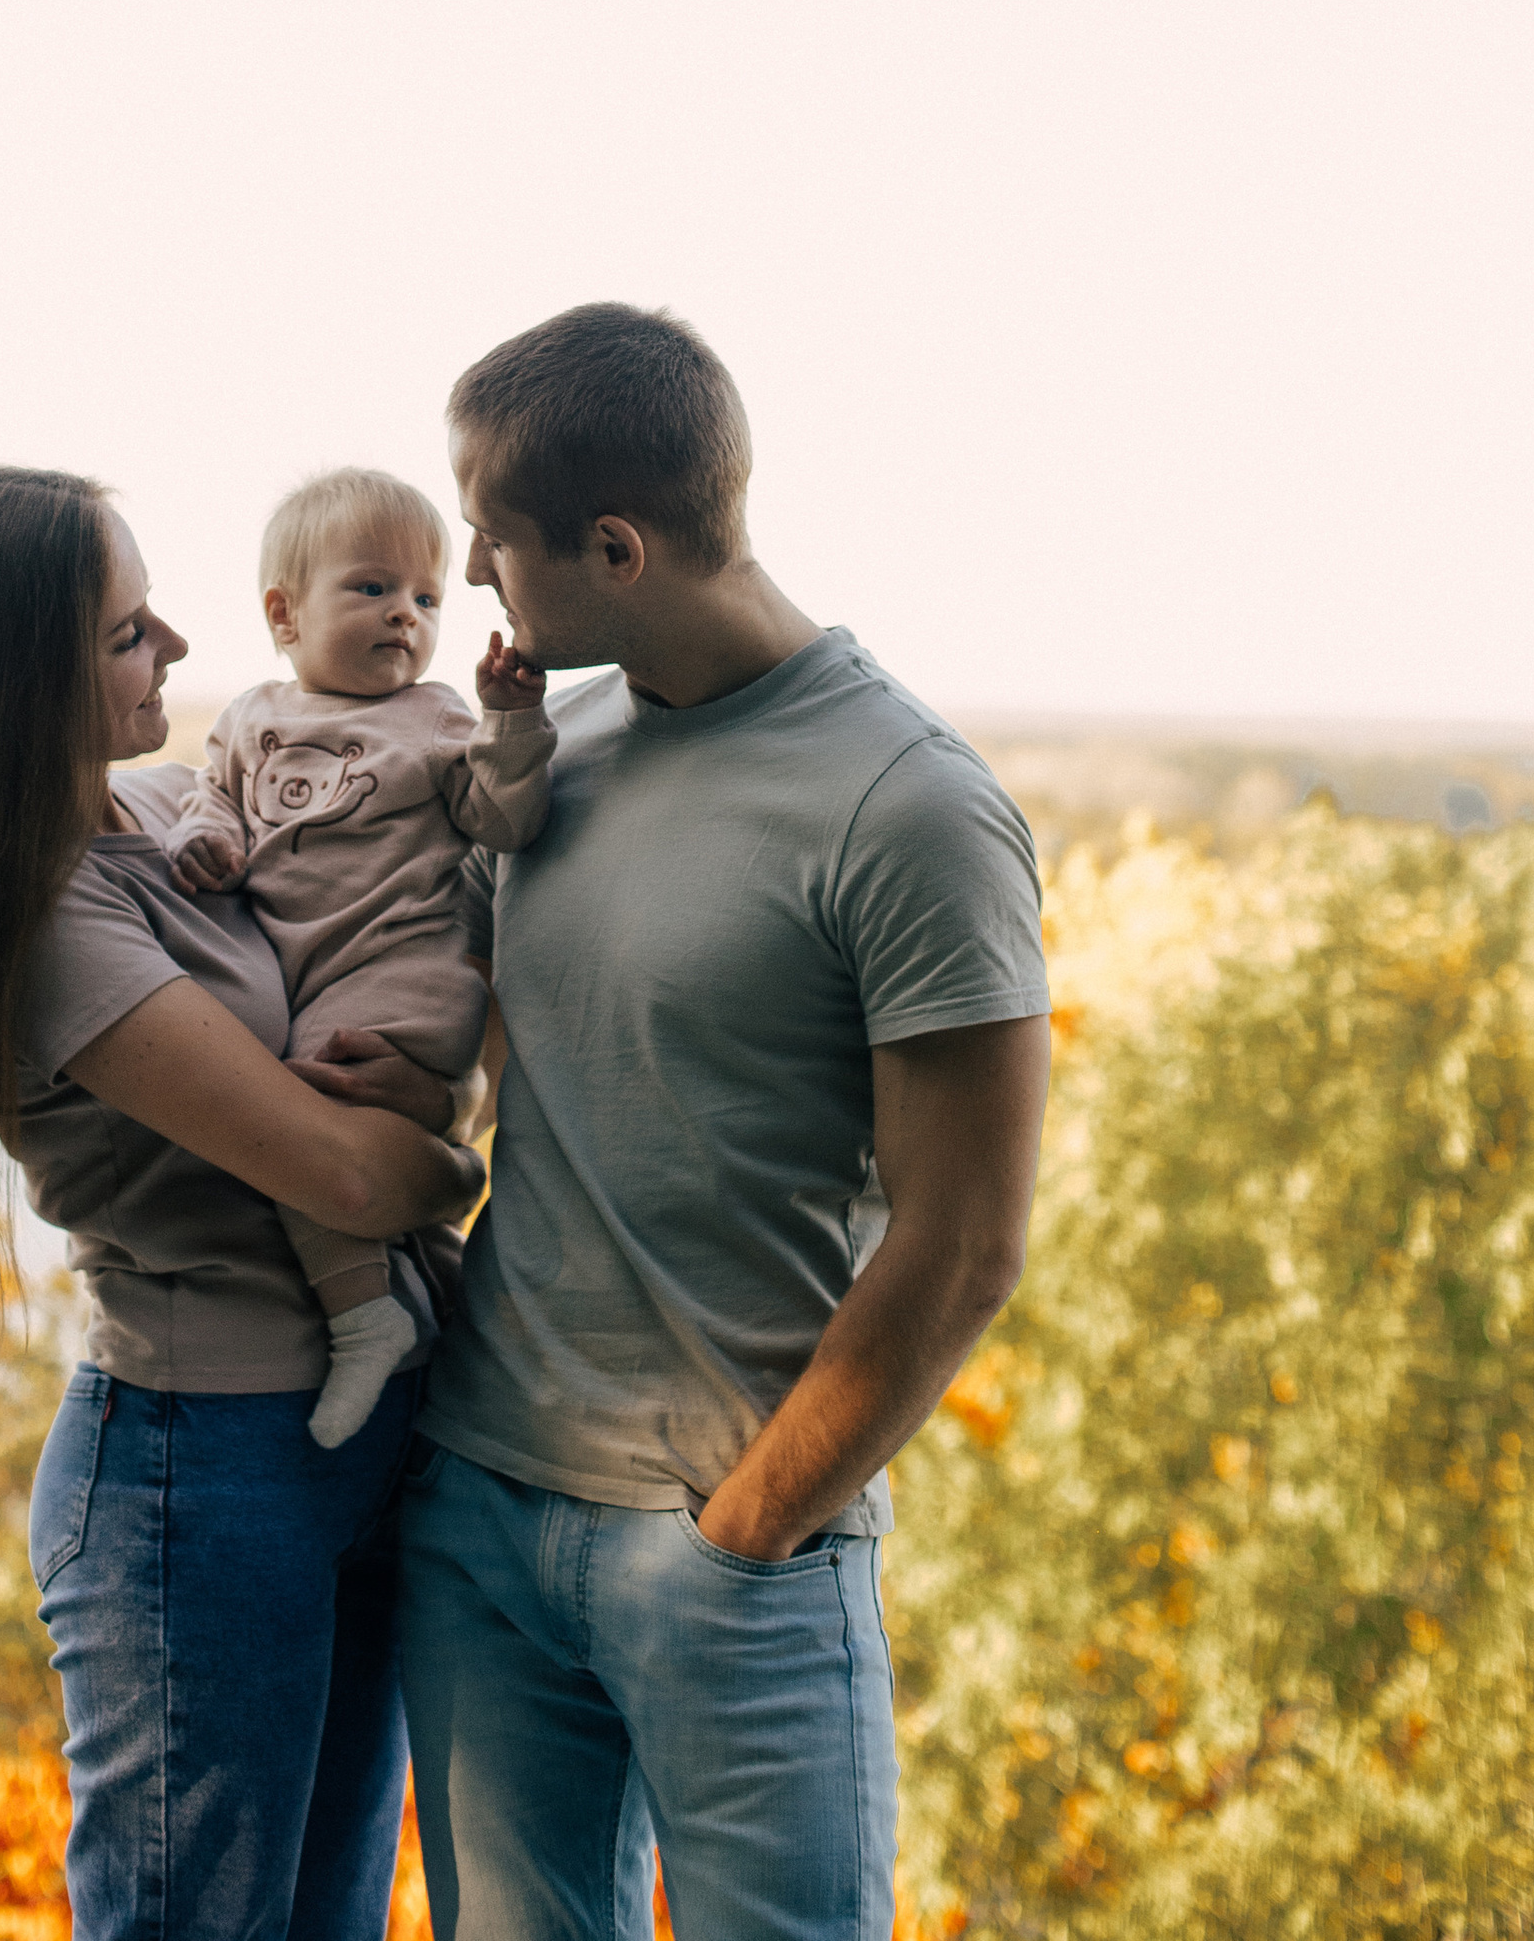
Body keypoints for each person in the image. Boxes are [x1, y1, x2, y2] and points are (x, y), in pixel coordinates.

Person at [400, 305, 1053, 1941]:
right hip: (479, 1521)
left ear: (614, 547)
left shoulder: (908, 807)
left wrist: (750, 1530)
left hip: (735, 1560)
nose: (472, 571)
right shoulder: (554, 751)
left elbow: (967, 1238)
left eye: (491, 535)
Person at [0, 464, 481, 1941]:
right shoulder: (45, 929)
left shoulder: (167, 815)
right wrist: (458, 1157)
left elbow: (375, 851)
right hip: (197, 1478)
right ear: (20, 682)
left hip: (349, 1451)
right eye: (126, 632)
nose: (171, 650)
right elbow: (342, 1173)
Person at [167, 466, 557, 1446]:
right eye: (373, 588)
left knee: (299, 1125)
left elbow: (503, 820)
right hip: (308, 976)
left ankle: (359, 1320)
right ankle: (450, 1310)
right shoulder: (250, 717)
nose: (406, 617)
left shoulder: (434, 722)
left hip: (398, 980)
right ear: (283, 612)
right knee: (380, 1193)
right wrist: (199, 840)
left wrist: (509, 724)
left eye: (426, 598)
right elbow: (210, 799)